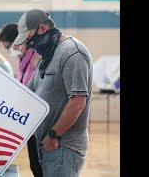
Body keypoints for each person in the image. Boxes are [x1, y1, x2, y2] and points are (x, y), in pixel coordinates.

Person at [13, 9, 93, 177]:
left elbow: (78, 101)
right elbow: (29, 93)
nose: (29, 45)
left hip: (63, 145)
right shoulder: (47, 56)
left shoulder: (72, 52)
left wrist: (53, 135)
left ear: (42, 29)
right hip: (48, 145)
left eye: (29, 39)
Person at [0, 23, 42, 177]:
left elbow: (36, 87)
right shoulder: (23, 58)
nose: (9, 51)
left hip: (40, 122)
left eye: (9, 47)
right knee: (35, 165)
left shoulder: (35, 55)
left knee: (40, 166)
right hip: (30, 122)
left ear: (19, 39)